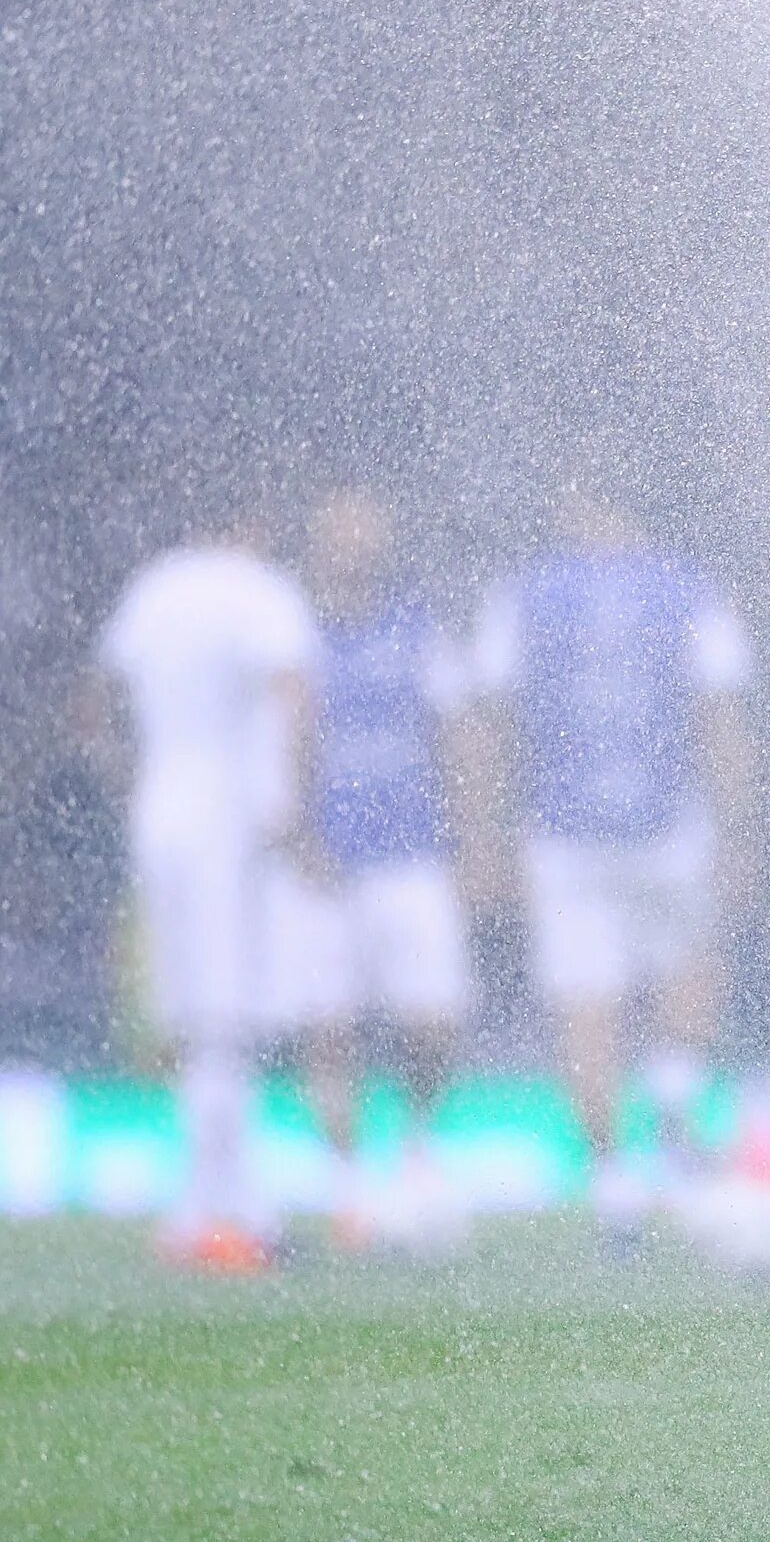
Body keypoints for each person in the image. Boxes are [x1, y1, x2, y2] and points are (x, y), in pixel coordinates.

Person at [467, 477, 756, 1251]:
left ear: (570, 509)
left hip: (561, 834)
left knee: (585, 1008)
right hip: (666, 825)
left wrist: (484, 836)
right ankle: (670, 1115)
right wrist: (737, 832)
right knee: (693, 969)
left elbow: (490, 723)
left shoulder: (524, 594)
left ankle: (613, 1190)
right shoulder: (686, 588)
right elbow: (719, 716)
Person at [94, 507, 320, 1271]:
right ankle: (216, 1213)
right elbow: (293, 690)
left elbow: (100, 706)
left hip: (161, 816)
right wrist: (289, 805)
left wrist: (137, 780)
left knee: (198, 1022)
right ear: (254, 511)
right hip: (233, 820)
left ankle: (222, 1203)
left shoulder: (152, 587)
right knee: (227, 1021)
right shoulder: (261, 590)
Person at [273, 488, 478, 1253]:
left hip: (409, 855)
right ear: (320, 543)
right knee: (328, 1027)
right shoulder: (292, 633)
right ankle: (348, 1187)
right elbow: (275, 738)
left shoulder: (416, 631)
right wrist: (296, 834)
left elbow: (459, 732)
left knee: (434, 1022)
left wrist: (472, 837)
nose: (354, 543)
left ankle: (416, 1144)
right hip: (321, 865)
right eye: (339, 529)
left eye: (367, 528)